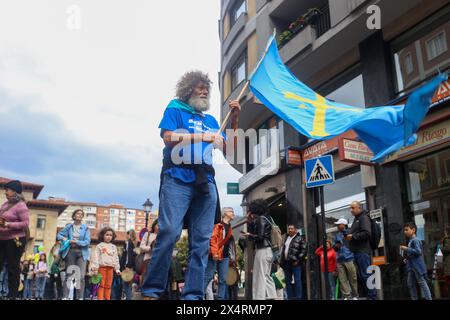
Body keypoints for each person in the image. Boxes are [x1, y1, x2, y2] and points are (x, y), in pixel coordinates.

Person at [141, 71, 240, 300]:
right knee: (169, 232)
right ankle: (151, 290)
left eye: (207, 88)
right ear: (188, 90)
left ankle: (193, 296)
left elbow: (230, 149)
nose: (204, 91)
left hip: (205, 182)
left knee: (202, 241)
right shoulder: (175, 108)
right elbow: (168, 137)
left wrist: (234, 119)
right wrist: (203, 137)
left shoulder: (212, 121)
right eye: (199, 87)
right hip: (177, 177)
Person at [0, 180, 30, 299]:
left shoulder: (21, 205)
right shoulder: (4, 205)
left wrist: (8, 224)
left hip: (14, 240)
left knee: (13, 268)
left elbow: (25, 223)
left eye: (7, 190)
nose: (5, 192)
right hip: (1, 239)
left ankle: (12, 295)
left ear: (15, 192)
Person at [242, 199, 277, 300]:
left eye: (250, 209)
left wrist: (250, 235)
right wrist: (250, 223)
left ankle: (259, 298)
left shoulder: (260, 219)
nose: (249, 211)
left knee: (259, 277)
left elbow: (260, 237)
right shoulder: (267, 218)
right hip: (269, 251)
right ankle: (272, 297)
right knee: (267, 276)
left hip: (262, 250)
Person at [345, 201, 377, 300]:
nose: (351, 210)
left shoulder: (363, 218)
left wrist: (353, 236)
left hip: (362, 252)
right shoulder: (357, 219)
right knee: (363, 276)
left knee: (366, 275)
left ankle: (372, 298)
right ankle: (370, 297)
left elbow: (367, 233)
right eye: (350, 208)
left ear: (359, 208)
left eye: (353, 208)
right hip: (358, 252)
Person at [57, 209, 91, 300]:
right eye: (78, 213)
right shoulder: (69, 227)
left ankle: (80, 297)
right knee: (69, 275)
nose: (79, 215)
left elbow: (87, 241)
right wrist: (65, 239)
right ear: (74, 216)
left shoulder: (85, 228)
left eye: (81, 214)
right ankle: (65, 297)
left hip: (82, 253)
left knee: (81, 276)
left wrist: (77, 242)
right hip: (70, 251)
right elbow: (59, 235)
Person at [203, 207, 236, 300]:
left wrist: (232, 258)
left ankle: (221, 299)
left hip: (225, 257)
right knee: (208, 277)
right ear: (225, 213)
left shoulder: (229, 227)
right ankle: (198, 296)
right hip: (214, 256)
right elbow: (213, 240)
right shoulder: (218, 226)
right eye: (231, 211)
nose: (233, 213)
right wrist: (214, 254)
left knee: (223, 280)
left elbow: (229, 244)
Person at [401, 222, 432, 300]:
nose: (405, 232)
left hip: (416, 265)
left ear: (413, 230)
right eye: (404, 230)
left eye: (406, 230)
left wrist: (406, 249)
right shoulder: (412, 240)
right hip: (411, 266)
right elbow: (414, 253)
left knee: (422, 283)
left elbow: (418, 252)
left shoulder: (415, 240)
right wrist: (407, 258)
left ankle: (429, 298)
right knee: (410, 283)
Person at [90, 227, 121, 300]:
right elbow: (96, 258)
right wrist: (95, 268)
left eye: (111, 235)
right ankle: (100, 298)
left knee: (108, 285)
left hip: (110, 269)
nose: (109, 236)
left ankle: (107, 298)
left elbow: (116, 259)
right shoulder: (99, 246)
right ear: (102, 235)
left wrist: (117, 269)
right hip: (101, 268)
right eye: (107, 234)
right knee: (101, 285)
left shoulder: (114, 247)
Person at [333, 218, 358, 300]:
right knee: (342, 279)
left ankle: (355, 295)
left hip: (349, 258)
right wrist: (336, 246)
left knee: (352, 278)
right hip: (339, 260)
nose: (337, 226)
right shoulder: (337, 235)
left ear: (343, 225)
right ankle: (347, 296)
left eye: (339, 224)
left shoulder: (350, 232)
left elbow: (353, 243)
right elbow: (334, 247)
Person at [279, 224, 306, 300]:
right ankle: (290, 298)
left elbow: (304, 251)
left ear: (295, 230)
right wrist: (281, 261)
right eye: (289, 229)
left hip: (295, 263)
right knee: (287, 281)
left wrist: (297, 260)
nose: (290, 230)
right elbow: (284, 250)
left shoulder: (300, 238)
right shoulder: (287, 238)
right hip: (287, 263)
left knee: (297, 281)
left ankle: (298, 298)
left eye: (291, 229)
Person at [139, 219, 159, 284]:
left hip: (159, 261)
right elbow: (141, 246)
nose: (159, 227)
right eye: (158, 225)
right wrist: (150, 249)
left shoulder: (163, 236)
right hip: (148, 260)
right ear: (154, 225)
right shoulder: (148, 234)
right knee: (146, 279)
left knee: (156, 280)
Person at [120, 229, 137, 300]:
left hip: (128, 267)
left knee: (126, 286)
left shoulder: (129, 243)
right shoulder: (134, 243)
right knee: (128, 286)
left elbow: (128, 256)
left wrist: (127, 266)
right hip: (132, 268)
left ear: (129, 235)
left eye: (127, 234)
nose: (125, 236)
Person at [442, 226, 450, 297]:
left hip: (448, 263)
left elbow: (447, 249)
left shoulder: (447, 239)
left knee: (448, 281)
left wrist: (440, 247)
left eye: (445, 231)